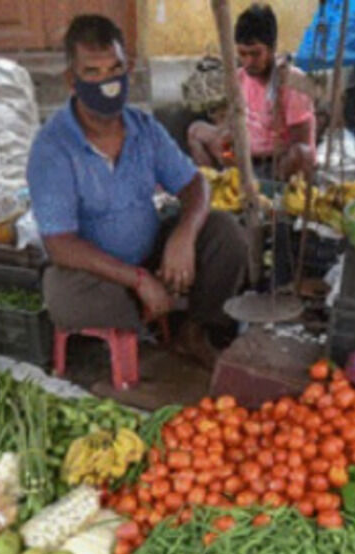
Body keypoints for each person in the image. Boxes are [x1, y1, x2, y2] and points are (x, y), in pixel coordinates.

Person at [28, 15, 248, 367]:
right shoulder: (52, 149)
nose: (108, 82)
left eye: (114, 69)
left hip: (151, 251)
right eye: (93, 73)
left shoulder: (144, 128)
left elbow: (195, 183)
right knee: (65, 296)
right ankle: (146, 336)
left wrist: (184, 236)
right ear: (72, 80)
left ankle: (192, 329)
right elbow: (59, 244)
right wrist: (137, 279)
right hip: (98, 273)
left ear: (127, 69)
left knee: (226, 233)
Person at [186, 4, 316, 181]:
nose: (247, 62)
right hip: (243, 161)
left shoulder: (292, 82)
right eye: (242, 53)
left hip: (277, 166)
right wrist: (227, 146)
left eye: (255, 54)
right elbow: (229, 126)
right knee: (196, 131)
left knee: (302, 152)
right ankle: (216, 188)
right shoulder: (239, 78)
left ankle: (271, 192)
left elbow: (301, 141)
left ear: (271, 48)